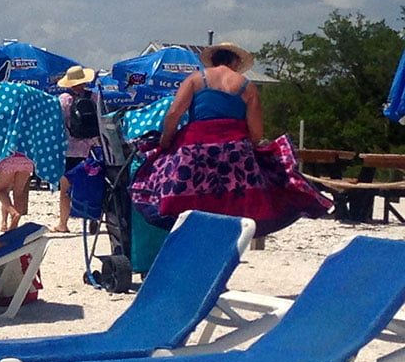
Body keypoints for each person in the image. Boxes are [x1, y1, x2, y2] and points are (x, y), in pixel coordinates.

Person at [129, 41, 331, 236]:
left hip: (195, 147)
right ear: (235, 62)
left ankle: (188, 225)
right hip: (235, 147)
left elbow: (173, 114)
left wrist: (165, 142)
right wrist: (247, 148)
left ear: (214, 60)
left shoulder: (195, 79)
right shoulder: (247, 86)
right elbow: (256, 133)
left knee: (157, 176)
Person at [51, 65, 100, 233]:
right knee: (92, 185)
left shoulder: (64, 99)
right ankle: (93, 218)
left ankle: (63, 224)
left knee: (65, 187)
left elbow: (58, 124)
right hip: (92, 148)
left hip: (69, 149)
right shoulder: (94, 97)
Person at [0, 152, 33, 232]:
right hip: (26, 160)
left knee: (1, 191)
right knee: (18, 193)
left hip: (8, 160)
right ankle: (12, 225)